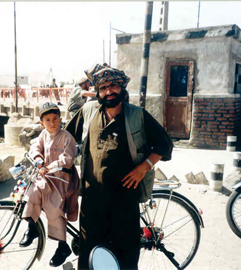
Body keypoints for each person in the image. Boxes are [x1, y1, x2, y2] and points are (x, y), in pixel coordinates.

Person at [64, 63, 173, 270]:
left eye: (113, 86)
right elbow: (65, 138)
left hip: (125, 200)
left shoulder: (137, 115)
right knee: (90, 256)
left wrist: (144, 167)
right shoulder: (88, 112)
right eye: (103, 88)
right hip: (92, 199)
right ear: (97, 92)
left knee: (125, 256)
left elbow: (164, 144)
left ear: (122, 89)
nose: (108, 91)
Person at [20, 102, 79, 267]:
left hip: (62, 180)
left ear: (61, 119)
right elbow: (36, 148)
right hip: (45, 177)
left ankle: (62, 246)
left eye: (55, 119)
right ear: (41, 123)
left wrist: (49, 167)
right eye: (47, 120)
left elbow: (67, 159)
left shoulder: (67, 137)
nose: (52, 123)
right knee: (31, 193)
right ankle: (33, 227)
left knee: (54, 208)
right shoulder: (43, 135)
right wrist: (39, 160)